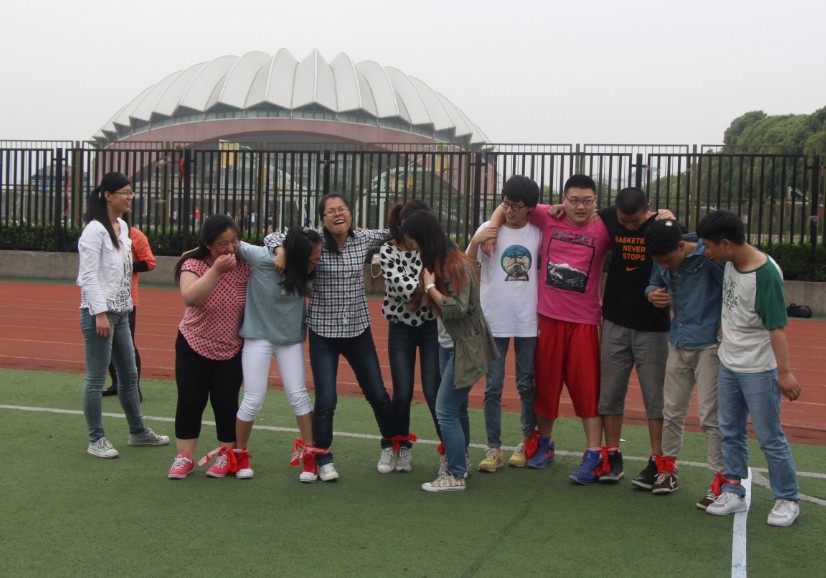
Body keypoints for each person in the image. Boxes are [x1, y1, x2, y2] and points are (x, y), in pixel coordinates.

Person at [265, 193, 395, 482]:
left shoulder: (363, 238)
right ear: (322, 219)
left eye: (343, 209)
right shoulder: (314, 242)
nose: (338, 214)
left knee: (377, 393)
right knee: (326, 400)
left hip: (358, 331)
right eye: (331, 211)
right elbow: (273, 236)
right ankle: (322, 457)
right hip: (323, 333)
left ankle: (391, 445)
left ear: (350, 213)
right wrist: (281, 251)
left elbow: (393, 232)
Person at [697, 210, 802, 527]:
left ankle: (787, 498)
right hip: (729, 363)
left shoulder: (765, 274)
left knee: (769, 436)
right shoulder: (731, 260)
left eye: (709, 246)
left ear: (726, 244)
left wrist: (784, 372)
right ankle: (733, 490)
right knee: (730, 430)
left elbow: (777, 327)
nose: (706, 252)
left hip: (758, 369)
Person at [400, 210, 498, 492]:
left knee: (445, 410)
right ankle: (460, 460)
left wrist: (430, 287)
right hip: (449, 345)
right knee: (457, 407)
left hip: (464, 347)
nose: (410, 245)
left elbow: (458, 308)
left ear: (422, 237)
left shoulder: (454, 262)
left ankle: (455, 473)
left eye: (412, 239)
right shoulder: (437, 258)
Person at [77, 172, 169, 458]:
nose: (130, 197)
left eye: (131, 192)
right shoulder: (94, 230)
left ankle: (137, 431)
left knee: (129, 375)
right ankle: (96, 439)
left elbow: (124, 271)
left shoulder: (124, 227)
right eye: (125, 192)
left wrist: (124, 306)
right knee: (96, 379)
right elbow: (88, 276)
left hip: (122, 311)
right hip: (99, 314)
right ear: (108, 195)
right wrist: (100, 313)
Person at [644, 219, 725, 509]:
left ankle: (721, 481)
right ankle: (667, 469)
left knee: (710, 416)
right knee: (671, 411)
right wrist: (651, 294)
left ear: (681, 246)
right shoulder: (662, 257)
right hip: (677, 341)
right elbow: (652, 283)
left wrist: (724, 328)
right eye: (659, 262)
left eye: (667, 261)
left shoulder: (708, 257)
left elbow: (730, 291)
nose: (664, 266)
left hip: (709, 345)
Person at [234, 227, 323, 482]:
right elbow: (233, 243)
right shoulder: (263, 258)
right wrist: (278, 250)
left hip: (289, 339)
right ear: (298, 255)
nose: (317, 263)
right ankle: (240, 453)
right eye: (313, 259)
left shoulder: (309, 271)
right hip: (258, 335)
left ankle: (309, 454)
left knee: (298, 395)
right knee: (253, 399)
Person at [167, 214, 252, 479]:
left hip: (231, 347)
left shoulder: (244, 263)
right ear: (207, 244)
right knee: (191, 400)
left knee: (226, 402)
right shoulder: (193, 264)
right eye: (222, 244)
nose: (230, 248)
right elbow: (191, 297)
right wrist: (215, 270)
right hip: (194, 343)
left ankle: (227, 454)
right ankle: (184, 457)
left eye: (234, 240)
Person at [596, 187, 671, 487]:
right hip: (615, 319)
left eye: (635, 221)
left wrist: (670, 219)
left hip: (652, 326)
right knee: (610, 393)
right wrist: (559, 207)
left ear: (648, 208)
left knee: (655, 396)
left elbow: (688, 248)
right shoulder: (608, 217)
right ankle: (612, 455)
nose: (628, 227)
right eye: (623, 221)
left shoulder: (661, 226)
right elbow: (579, 214)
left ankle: (658, 461)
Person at [466, 175, 540, 472]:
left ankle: (527, 441)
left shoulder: (538, 233)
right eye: (506, 203)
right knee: (492, 387)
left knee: (526, 384)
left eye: (516, 206)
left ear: (530, 208)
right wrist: (476, 242)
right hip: (493, 319)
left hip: (527, 321)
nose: (509, 210)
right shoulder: (488, 229)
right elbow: (467, 265)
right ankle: (493, 447)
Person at [379, 199, 441, 473]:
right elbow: (404, 289)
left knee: (433, 391)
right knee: (402, 392)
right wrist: (427, 287)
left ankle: (450, 450)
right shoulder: (388, 250)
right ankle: (398, 446)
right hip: (401, 328)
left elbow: (440, 283)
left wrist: (427, 288)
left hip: (430, 327)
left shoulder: (432, 249)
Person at [103, 220, 156, 400]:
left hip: (127, 298)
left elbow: (149, 262)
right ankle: (117, 383)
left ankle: (134, 387)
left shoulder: (135, 235)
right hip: (104, 296)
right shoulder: (100, 232)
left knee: (127, 344)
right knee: (107, 343)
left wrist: (123, 265)